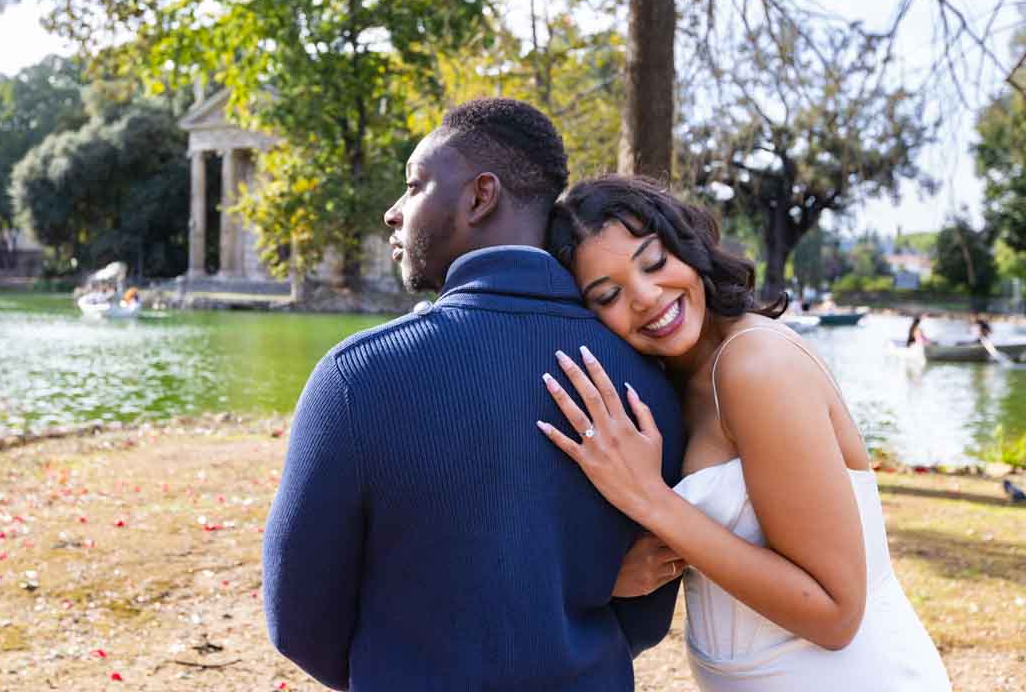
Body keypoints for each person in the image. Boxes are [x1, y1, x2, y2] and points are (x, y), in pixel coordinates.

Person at [263, 100, 686, 691]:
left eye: (413, 186)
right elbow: (643, 615)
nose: (393, 212)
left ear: (479, 197)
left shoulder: (356, 379)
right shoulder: (650, 385)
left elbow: (297, 621)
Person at [538, 175, 950, 691]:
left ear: (687, 246)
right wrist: (615, 572)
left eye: (655, 262)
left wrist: (651, 499)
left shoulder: (756, 366)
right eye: (608, 294)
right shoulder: (673, 378)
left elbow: (834, 614)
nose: (644, 296)